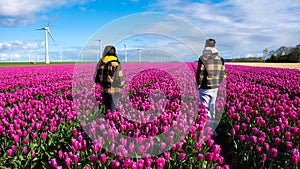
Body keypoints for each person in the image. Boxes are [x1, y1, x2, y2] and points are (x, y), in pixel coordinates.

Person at [196, 39, 226, 137]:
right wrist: (217, 83)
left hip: (205, 87)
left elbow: (200, 74)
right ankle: (213, 129)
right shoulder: (220, 59)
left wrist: (198, 86)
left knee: (204, 109)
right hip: (215, 87)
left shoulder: (203, 58)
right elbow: (223, 75)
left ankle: (209, 131)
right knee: (212, 107)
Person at [94, 45, 125, 113]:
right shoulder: (115, 64)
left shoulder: (100, 63)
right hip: (114, 92)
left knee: (107, 110)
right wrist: (122, 85)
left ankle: (106, 121)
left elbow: (96, 79)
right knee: (113, 111)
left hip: (103, 91)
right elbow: (120, 81)